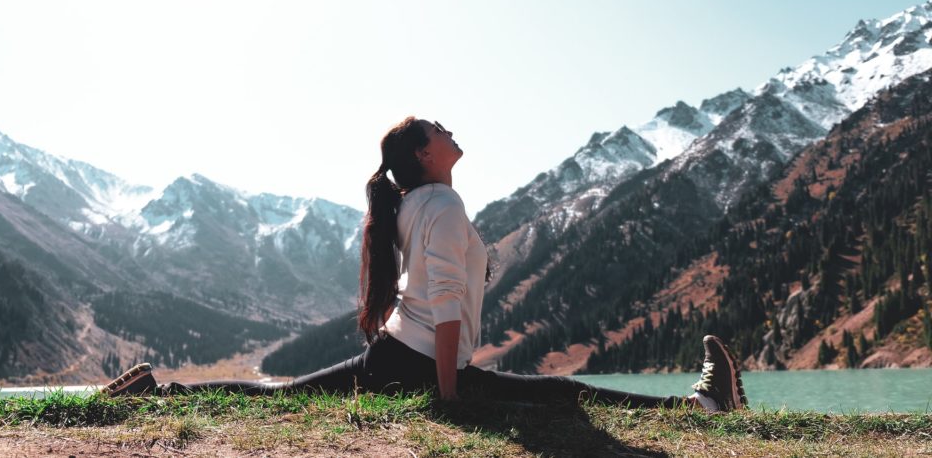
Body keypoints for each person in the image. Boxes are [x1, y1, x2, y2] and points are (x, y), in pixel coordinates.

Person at [103, 117, 747, 412]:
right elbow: (442, 301)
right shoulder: (440, 203)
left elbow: (438, 292)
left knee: (283, 399)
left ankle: (159, 395)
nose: (449, 129)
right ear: (424, 151)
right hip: (415, 362)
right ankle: (705, 407)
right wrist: (448, 395)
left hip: (397, 355)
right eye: (437, 127)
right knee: (558, 394)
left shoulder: (416, 202)